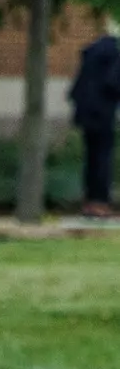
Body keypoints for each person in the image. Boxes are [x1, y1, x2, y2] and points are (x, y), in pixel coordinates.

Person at [70, 19, 120, 219]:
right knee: (103, 158)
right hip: (102, 111)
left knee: (91, 158)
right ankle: (100, 203)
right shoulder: (115, 52)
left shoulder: (93, 49)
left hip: (85, 110)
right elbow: (113, 82)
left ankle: (90, 201)